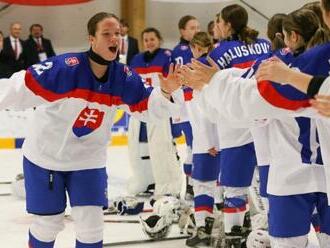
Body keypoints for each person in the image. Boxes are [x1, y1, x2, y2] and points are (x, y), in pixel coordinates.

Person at [0, 12, 181, 248]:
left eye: (116, 33)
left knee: (91, 227)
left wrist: (165, 93)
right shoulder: (64, 68)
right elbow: (15, 89)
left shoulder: (123, 77)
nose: (113, 38)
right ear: (91, 39)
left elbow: (147, 108)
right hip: (45, 159)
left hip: (88, 161)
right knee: (48, 225)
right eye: (106, 34)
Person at [178, 8, 330, 248]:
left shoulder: (280, 63)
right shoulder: (269, 52)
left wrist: (211, 84)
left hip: (283, 165)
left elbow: (251, 97)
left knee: (234, 189)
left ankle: (232, 231)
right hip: (315, 168)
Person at [204, 4, 271, 246]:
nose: (216, 26)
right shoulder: (264, 43)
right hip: (265, 117)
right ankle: (274, 228)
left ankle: (235, 234)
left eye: (218, 22)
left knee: (234, 184)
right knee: (270, 178)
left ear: (227, 24)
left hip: (235, 122)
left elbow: (210, 89)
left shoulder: (219, 51)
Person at [127, 27, 182, 197]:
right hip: (139, 107)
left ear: (159, 40)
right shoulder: (136, 59)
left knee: (161, 147)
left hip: (158, 107)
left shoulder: (167, 56)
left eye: (152, 39)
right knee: (136, 147)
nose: (149, 42)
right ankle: (143, 180)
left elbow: (173, 84)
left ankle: (167, 186)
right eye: (146, 40)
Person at [182, 31, 221, 247]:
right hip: (221, 139)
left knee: (203, 186)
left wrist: (209, 142)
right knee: (227, 186)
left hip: (207, 142)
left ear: (195, 47)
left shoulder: (194, 70)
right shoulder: (216, 67)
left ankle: (204, 229)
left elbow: (201, 111)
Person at [171, 15, 200, 200]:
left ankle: (195, 184)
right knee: (193, 145)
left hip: (195, 101)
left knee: (197, 145)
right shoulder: (181, 51)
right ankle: (191, 185)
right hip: (186, 103)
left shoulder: (198, 47)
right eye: (192, 28)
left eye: (198, 27)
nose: (196, 31)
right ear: (182, 31)